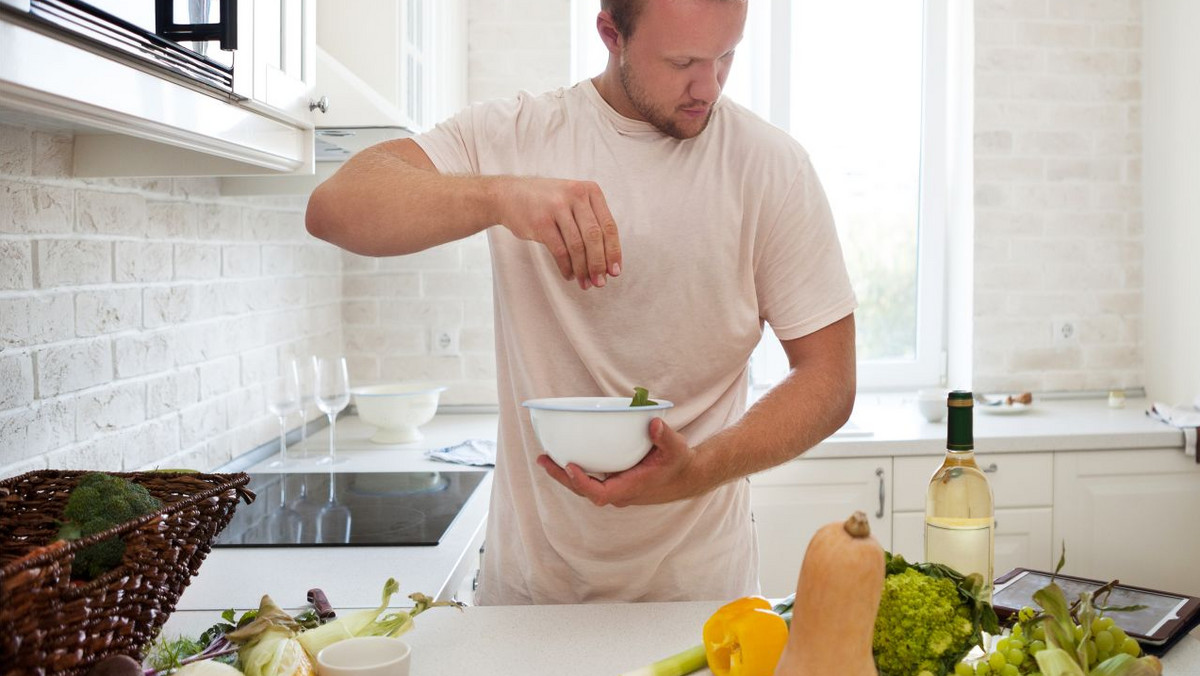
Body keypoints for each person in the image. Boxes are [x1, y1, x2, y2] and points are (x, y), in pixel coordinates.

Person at [306, 0, 857, 605]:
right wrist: (500, 197)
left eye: (727, 55)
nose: (710, 86)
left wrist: (697, 470)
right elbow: (334, 207)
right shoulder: (513, 136)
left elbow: (829, 379)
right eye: (683, 61)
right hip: (530, 603)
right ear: (610, 33)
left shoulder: (770, 167)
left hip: (702, 603)